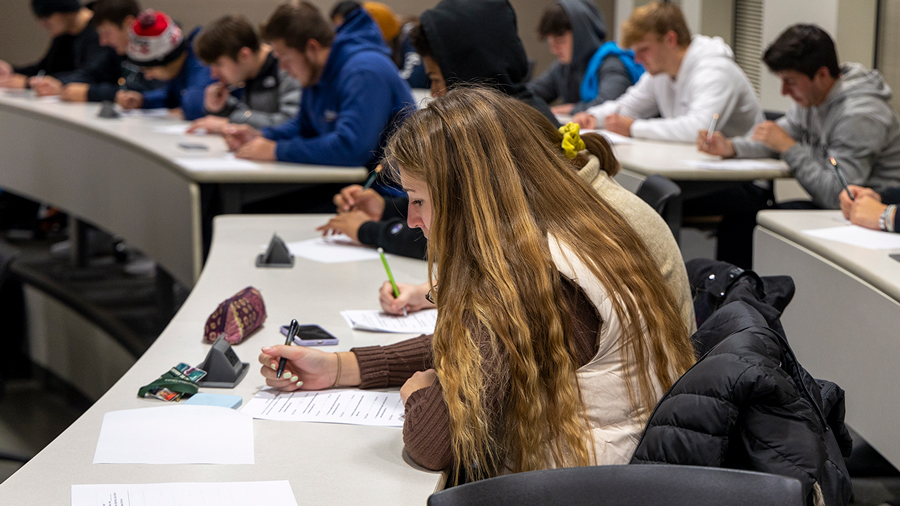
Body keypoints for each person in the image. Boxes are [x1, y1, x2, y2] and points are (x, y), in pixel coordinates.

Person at [259, 87, 696, 478]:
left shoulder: (525, 277)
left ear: (465, 199)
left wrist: (420, 392)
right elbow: (476, 346)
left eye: (419, 201)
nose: (412, 220)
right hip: (613, 475)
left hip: (573, 488)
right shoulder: (567, 232)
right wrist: (343, 367)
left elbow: (434, 444)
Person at [316, 0, 561, 250]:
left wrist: (368, 231)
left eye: (435, 78)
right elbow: (454, 208)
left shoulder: (512, 134)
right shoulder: (513, 115)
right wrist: (386, 208)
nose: (434, 93)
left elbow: (463, 239)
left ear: (467, 71)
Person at [697, 24, 900, 267]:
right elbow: (774, 138)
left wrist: (789, 147)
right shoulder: (814, 98)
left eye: (790, 82)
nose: (784, 92)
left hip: (865, 214)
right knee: (739, 224)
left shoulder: (860, 115)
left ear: (822, 75)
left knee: (746, 227)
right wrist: (731, 147)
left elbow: (836, 194)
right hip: (842, 211)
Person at [223, 2, 414, 166]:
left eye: (285, 58)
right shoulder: (317, 73)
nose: (282, 67)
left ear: (311, 48)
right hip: (355, 187)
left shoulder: (364, 71)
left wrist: (277, 150)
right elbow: (304, 126)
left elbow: (351, 148)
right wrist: (261, 136)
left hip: (391, 195)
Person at [572, 2, 762, 142]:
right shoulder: (660, 72)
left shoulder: (716, 70)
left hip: (741, 180)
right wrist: (593, 117)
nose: (637, 59)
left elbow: (698, 129)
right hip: (699, 167)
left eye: (644, 49)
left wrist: (633, 128)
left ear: (670, 39)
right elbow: (626, 107)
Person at [188, 15, 301, 134]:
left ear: (244, 55)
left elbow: (292, 122)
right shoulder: (248, 72)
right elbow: (251, 114)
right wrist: (223, 108)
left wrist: (228, 123)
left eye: (219, 64)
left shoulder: (286, 67)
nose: (213, 75)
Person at [528, 0, 640, 116]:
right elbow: (531, 94)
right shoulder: (562, 68)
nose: (554, 50)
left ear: (581, 36)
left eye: (560, 41)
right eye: (550, 43)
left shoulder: (611, 62)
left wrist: (569, 109)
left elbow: (611, 105)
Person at [0, 0, 119, 94]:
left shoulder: (100, 33)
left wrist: (29, 82)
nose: (43, 25)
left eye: (46, 19)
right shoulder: (65, 33)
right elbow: (45, 68)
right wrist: (11, 71)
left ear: (63, 10)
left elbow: (89, 76)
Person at [115, 9, 215, 120]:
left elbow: (196, 108)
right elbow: (172, 96)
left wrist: (183, 107)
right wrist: (143, 100)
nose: (148, 76)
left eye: (149, 70)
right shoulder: (180, 65)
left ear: (168, 61)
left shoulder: (202, 61)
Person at [54, 0, 161, 102]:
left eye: (107, 33)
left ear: (128, 24)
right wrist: (57, 82)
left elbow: (152, 91)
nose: (103, 42)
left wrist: (90, 93)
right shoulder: (117, 51)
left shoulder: (156, 50)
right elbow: (92, 74)